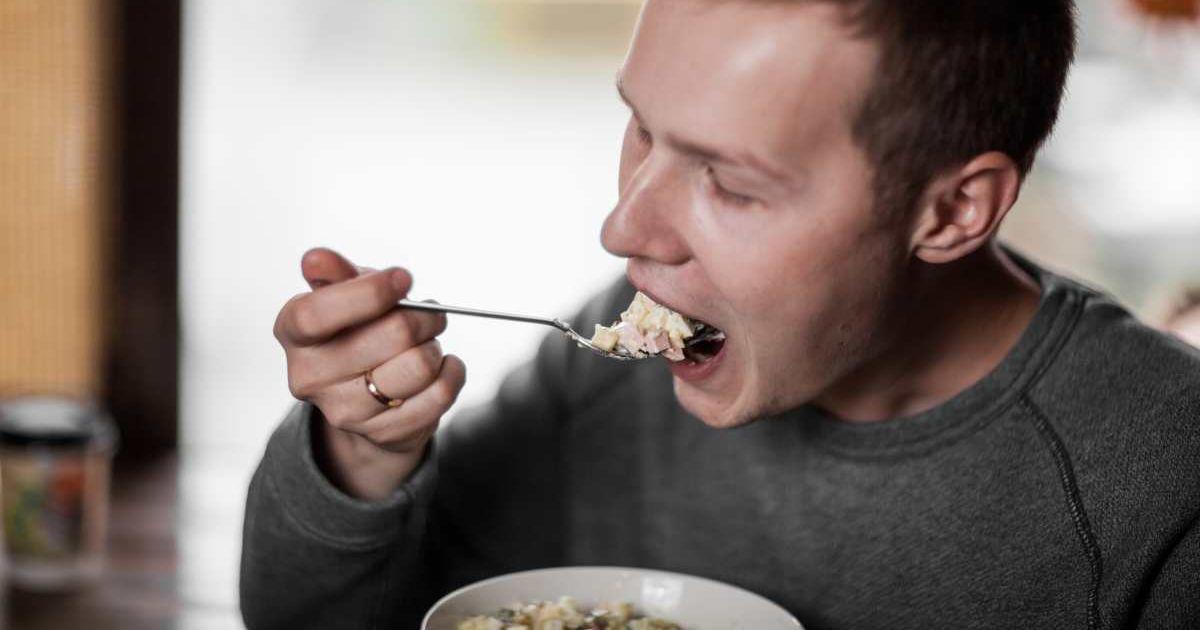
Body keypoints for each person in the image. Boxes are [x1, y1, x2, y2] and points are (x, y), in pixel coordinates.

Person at [240, 1, 1200, 628]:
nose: (624, 228)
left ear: (949, 212)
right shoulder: (609, 371)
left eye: (731, 187)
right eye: (643, 130)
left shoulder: (1162, 476)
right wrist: (363, 459)